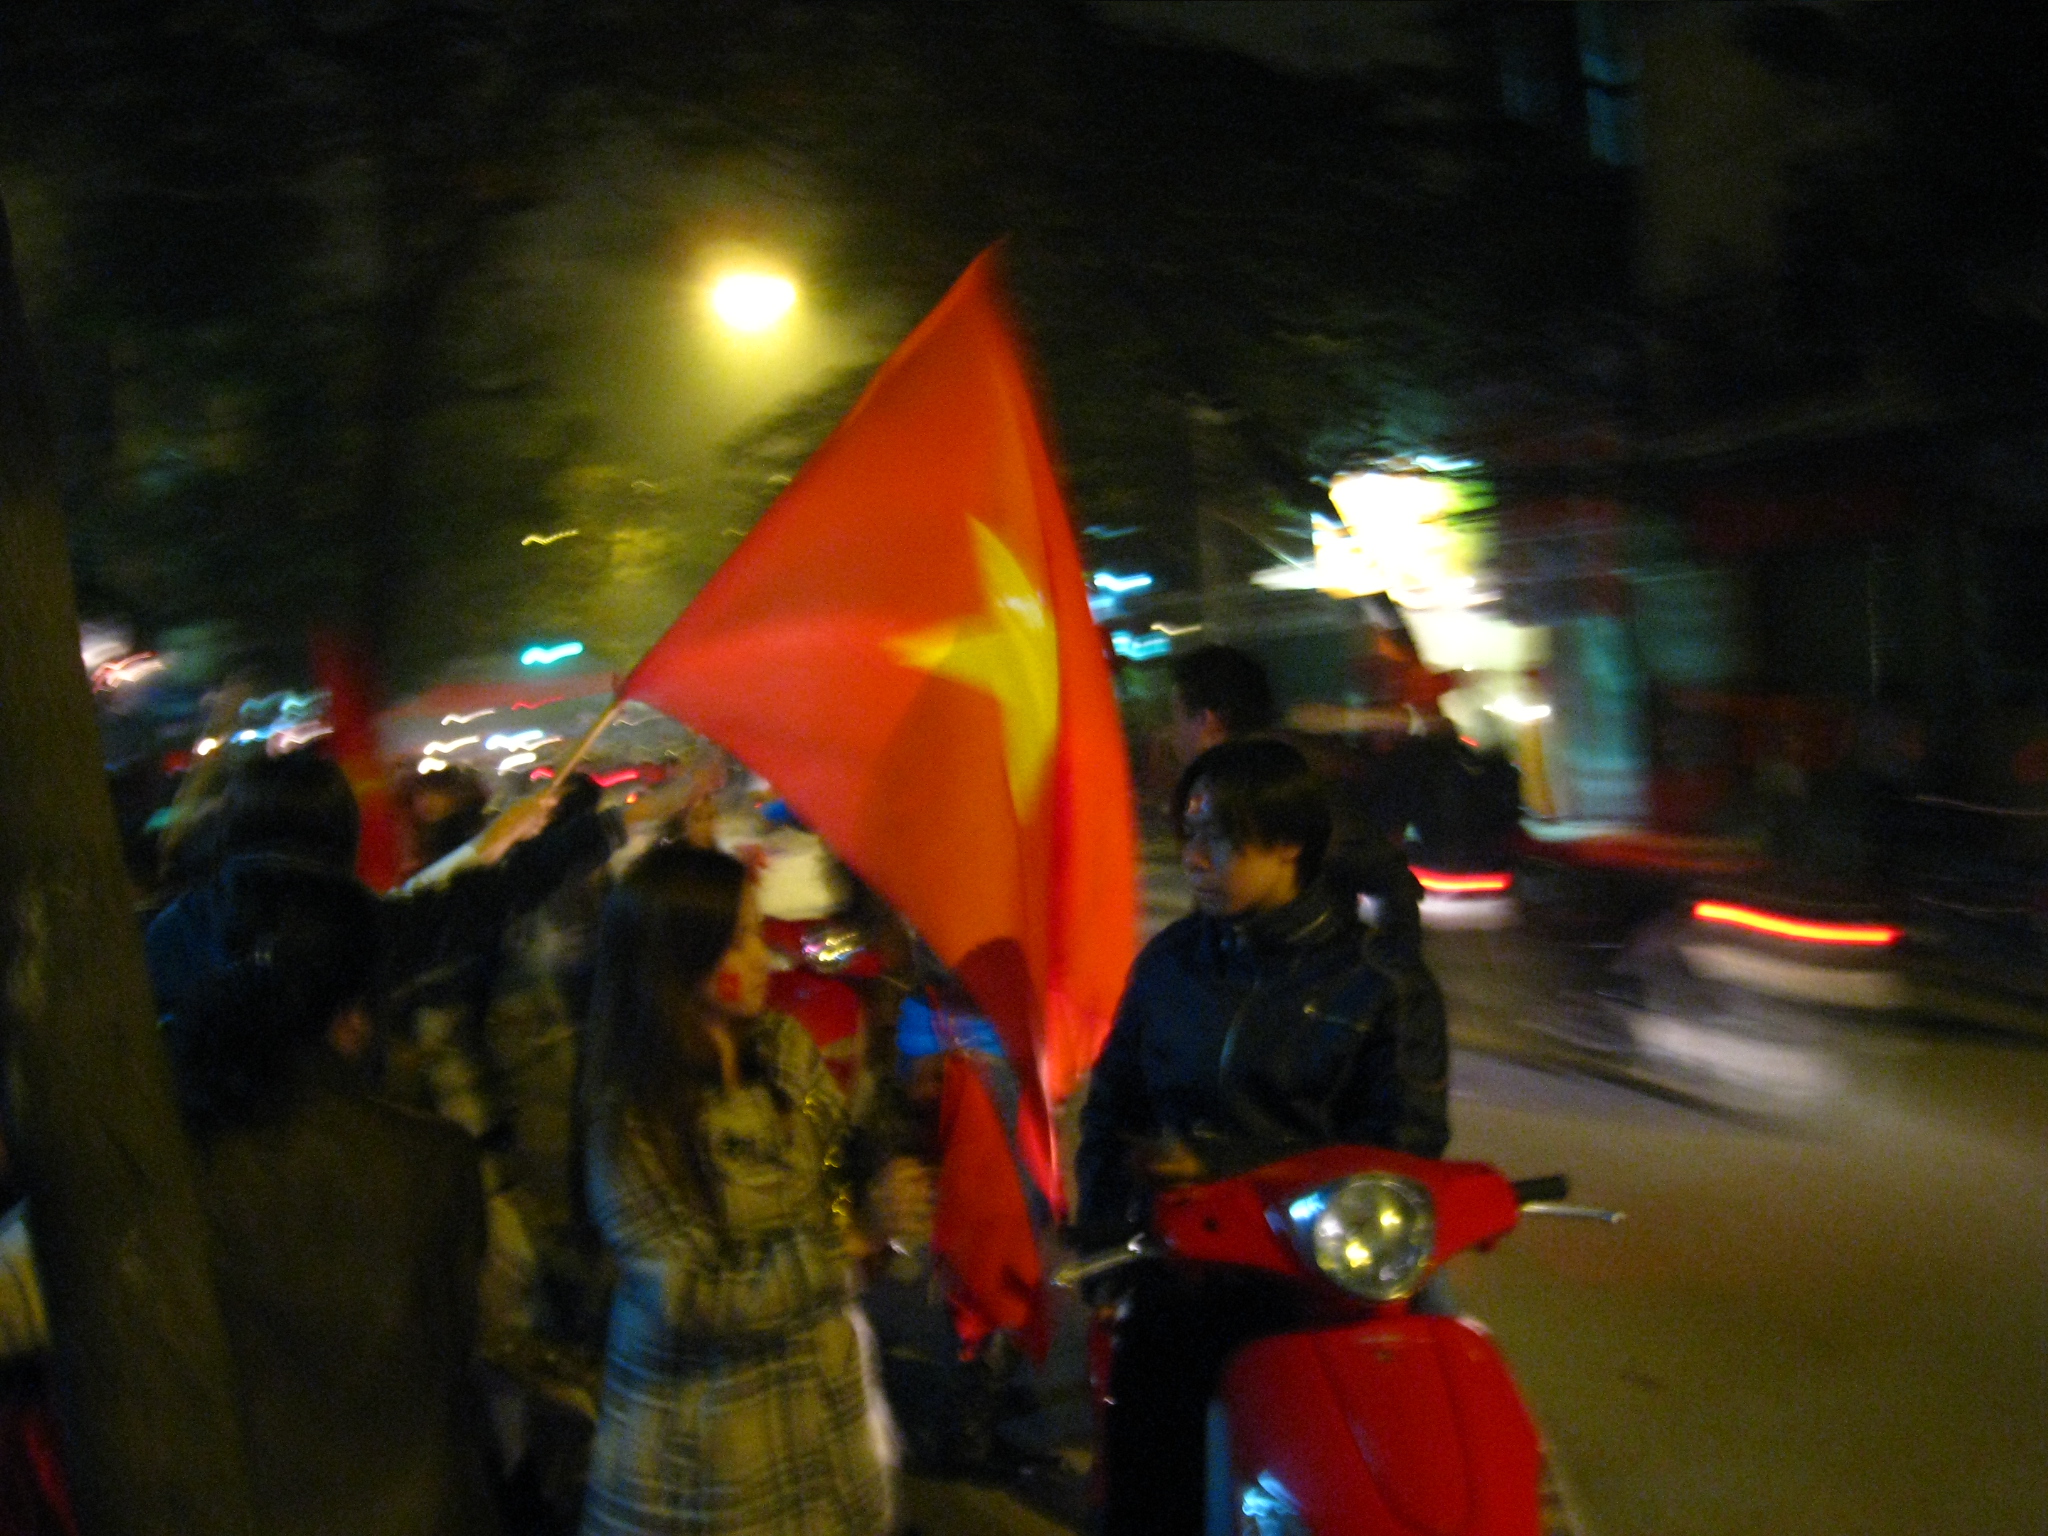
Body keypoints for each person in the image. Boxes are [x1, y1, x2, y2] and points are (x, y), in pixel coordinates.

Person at [1074, 737, 1450, 1536]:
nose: (1194, 859)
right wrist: (1104, 1232)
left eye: (1216, 836)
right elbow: (1113, 1103)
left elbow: (1404, 1150)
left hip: (1313, 1298)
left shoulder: (1379, 986)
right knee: (1149, 1495)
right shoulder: (1172, 962)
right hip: (1176, 1284)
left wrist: (1224, 1169)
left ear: (1287, 843)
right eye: (1188, 834)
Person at [148, 853, 500, 1536]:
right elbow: (459, 1351)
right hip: (430, 1510)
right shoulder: (435, 1161)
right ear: (352, 1020)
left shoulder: (166, 1178)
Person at [576, 843, 894, 1536]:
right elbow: (692, 1294)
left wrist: (872, 1196)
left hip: (818, 1431)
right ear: (682, 959)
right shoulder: (633, 1120)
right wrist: (839, 1246)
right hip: (704, 1460)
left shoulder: (784, 1051)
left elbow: (834, 1159)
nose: (765, 960)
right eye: (742, 940)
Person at [1168, 642, 1427, 961]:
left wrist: (1390, 977)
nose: (1172, 733)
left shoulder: (1283, 783)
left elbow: (1389, 879)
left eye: (1176, 717)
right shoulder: (1220, 786)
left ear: (1207, 722)